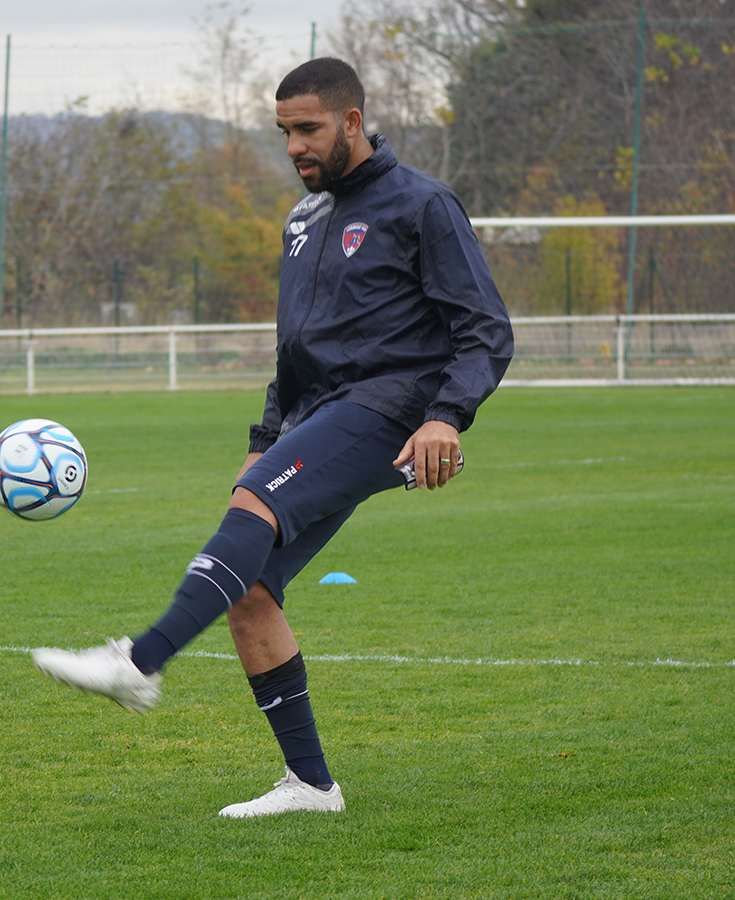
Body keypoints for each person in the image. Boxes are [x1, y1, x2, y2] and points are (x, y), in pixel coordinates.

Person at [33, 57, 513, 818]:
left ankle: (140, 661)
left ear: (352, 122)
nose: (295, 145)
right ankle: (312, 786)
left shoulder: (422, 204)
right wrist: (265, 435)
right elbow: (296, 348)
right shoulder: (303, 220)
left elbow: (485, 329)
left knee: (251, 510)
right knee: (251, 593)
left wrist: (445, 415)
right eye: (285, 131)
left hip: (390, 409)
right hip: (322, 413)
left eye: (309, 129)